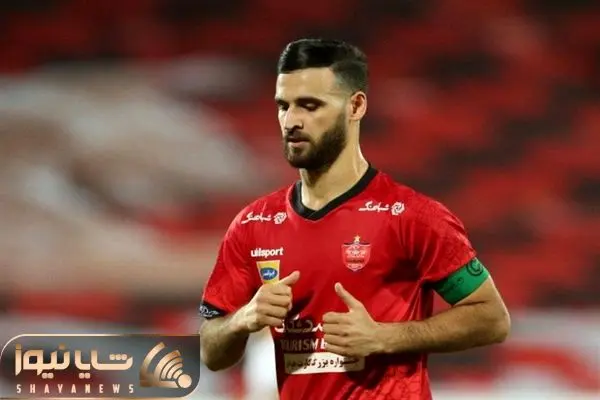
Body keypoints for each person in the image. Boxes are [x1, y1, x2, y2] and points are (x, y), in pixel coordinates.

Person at [199, 38, 510, 400]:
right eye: (284, 106)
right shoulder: (253, 224)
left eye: (310, 105)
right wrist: (243, 319)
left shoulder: (413, 216)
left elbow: (491, 319)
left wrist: (384, 337)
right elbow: (210, 350)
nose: (292, 120)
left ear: (356, 106)